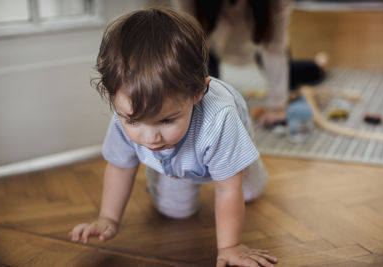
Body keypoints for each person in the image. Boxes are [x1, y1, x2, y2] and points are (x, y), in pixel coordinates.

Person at [69, 7, 278, 267]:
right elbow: (120, 166)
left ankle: (247, 166)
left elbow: (227, 188)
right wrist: (108, 219)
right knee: (174, 212)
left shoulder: (220, 118)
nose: (150, 138)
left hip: (224, 148)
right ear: (115, 99)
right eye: (133, 121)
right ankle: (165, 174)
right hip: (174, 163)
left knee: (250, 191)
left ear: (198, 92)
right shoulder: (126, 110)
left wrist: (229, 246)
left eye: (166, 120)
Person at [173, 0, 326, 128]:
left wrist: (277, 107)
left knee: (302, 75)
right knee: (206, 98)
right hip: (208, 46)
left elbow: (274, 49)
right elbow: (187, 43)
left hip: (259, 43)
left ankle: (320, 63)